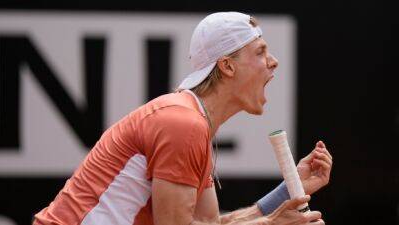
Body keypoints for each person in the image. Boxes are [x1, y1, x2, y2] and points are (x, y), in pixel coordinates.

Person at [34, 12, 332, 225]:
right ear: (227, 66)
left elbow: (209, 223)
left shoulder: (191, 122)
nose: (273, 60)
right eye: (260, 51)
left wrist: (288, 191)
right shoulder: (182, 124)